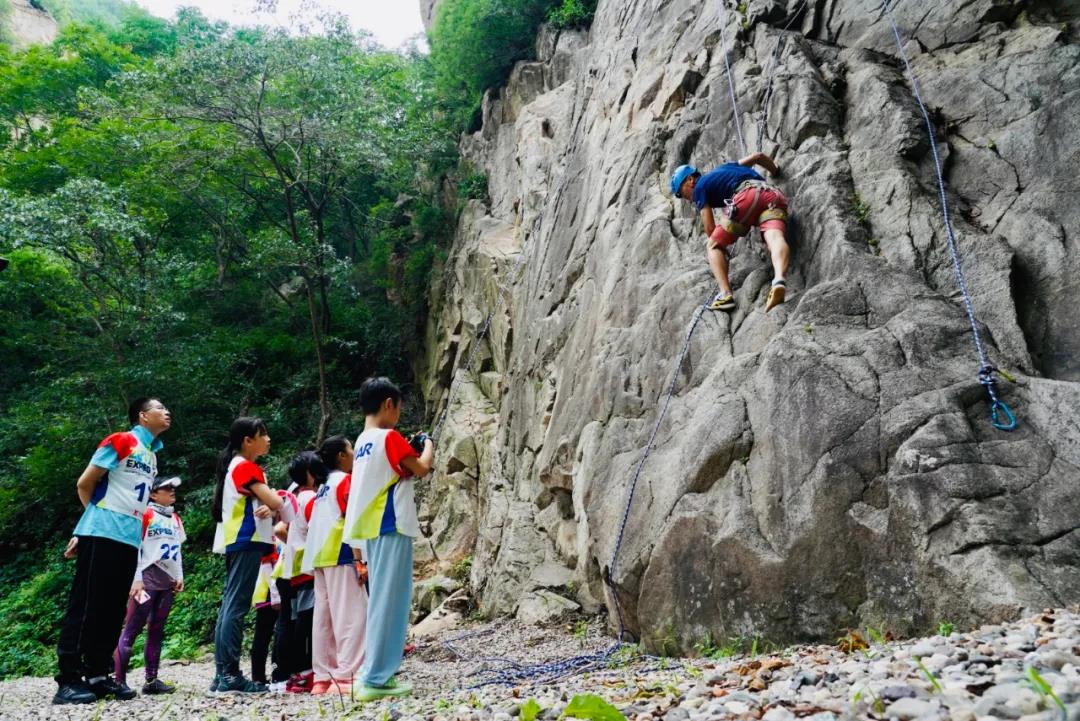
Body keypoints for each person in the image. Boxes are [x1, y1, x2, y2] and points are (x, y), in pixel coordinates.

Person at [54, 398, 171, 705]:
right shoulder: (121, 441)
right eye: (160, 407)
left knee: (112, 608)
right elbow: (85, 484)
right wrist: (90, 526)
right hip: (102, 532)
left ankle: (98, 674)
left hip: (130, 539)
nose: (166, 412)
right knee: (87, 604)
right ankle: (68, 679)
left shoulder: (152, 455)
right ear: (143, 416)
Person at [343, 377, 433, 702]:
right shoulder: (389, 437)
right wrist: (428, 443)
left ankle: (371, 673)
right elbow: (421, 468)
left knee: (380, 599)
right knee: (392, 601)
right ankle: (377, 679)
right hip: (390, 524)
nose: (397, 415)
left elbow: (395, 472)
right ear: (388, 404)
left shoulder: (363, 440)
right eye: (398, 408)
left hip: (370, 530)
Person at [210, 417, 284, 694]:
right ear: (247, 441)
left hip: (239, 540)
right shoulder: (245, 467)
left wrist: (270, 503)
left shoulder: (235, 467)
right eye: (262, 434)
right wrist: (275, 500)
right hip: (247, 539)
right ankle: (229, 674)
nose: (267, 439)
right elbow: (276, 502)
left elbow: (267, 503)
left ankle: (222, 675)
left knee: (231, 605)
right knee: (237, 606)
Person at [671, 153, 791, 312]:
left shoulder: (699, 187)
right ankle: (779, 280)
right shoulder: (727, 167)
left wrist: (721, 247)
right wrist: (775, 171)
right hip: (772, 195)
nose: (687, 199)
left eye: (682, 193)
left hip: (746, 196)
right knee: (775, 237)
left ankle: (725, 294)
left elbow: (710, 229)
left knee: (712, 246)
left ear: (690, 180)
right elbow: (758, 157)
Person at [303, 435, 368, 695]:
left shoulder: (323, 486)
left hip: (319, 556)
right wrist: (359, 558)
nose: (354, 453)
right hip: (341, 553)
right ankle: (348, 676)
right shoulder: (345, 481)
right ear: (341, 456)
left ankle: (322, 678)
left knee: (324, 619)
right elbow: (352, 519)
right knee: (351, 615)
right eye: (350, 448)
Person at [113, 476, 185, 695]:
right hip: (146, 580)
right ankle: (118, 682)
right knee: (132, 629)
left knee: (157, 630)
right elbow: (135, 547)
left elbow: (177, 549)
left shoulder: (175, 518)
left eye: (174, 488)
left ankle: (151, 681)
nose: (172, 491)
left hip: (167, 582)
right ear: (153, 493)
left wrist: (180, 575)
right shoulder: (145, 514)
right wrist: (136, 579)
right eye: (167, 488)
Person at [273, 451, 325, 694]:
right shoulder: (312, 499)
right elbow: (320, 532)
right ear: (311, 473)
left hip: (293, 569)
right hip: (309, 569)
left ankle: (295, 673)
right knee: (308, 620)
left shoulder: (293, 501)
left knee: (295, 621)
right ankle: (306, 672)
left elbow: (282, 531)